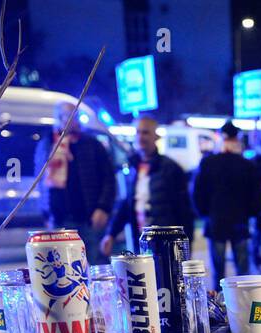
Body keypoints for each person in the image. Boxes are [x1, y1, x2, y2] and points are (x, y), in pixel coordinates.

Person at [101, 116, 195, 257]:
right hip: (141, 242)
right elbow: (127, 205)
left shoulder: (171, 169)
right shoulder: (133, 168)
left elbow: (184, 211)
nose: (141, 137)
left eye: (145, 132)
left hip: (165, 244)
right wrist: (111, 234)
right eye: (138, 132)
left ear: (156, 136)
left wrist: (185, 246)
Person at [36, 101, 116, 265]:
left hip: (88, 217)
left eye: (73, 115)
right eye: (66, 116)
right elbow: (41, 181)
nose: (70, 120)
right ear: (57, 118)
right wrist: (45, 212)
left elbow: (109, 179)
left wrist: (103, 208)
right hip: (58, 219)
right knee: (63, 267)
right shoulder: (47, 144)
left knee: (93, 264)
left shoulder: (92, 144)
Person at [194, 121, 261, 288]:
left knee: (218, 271)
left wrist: (205, 214)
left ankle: (218, 303)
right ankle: (243, 302)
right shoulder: (247, 165)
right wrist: (251, 213)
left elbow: (197, 192)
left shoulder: (208, 163)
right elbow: (256, 195)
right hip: (239, 221)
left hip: (216, 220)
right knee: (242, 271)